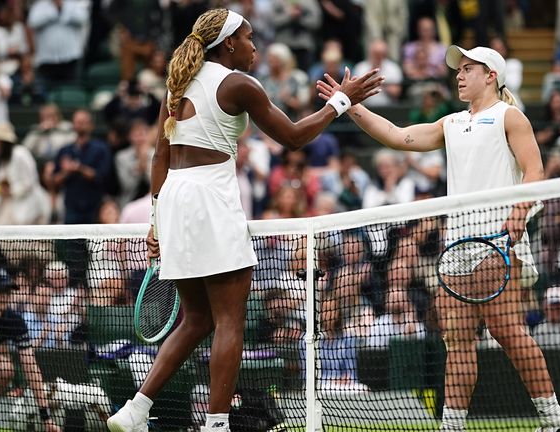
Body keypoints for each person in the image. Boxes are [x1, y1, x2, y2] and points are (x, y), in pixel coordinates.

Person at [105, 8, 381, 432]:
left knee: (197, 320)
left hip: (175, 198)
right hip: (209, 198)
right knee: (230, 319)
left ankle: (136, 409)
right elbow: (292, 136)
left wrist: (158, 222)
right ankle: (216, 426)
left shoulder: (177, 86)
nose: (256, 47)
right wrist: (342, 100)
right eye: (250, 38)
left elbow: (161, 157)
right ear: (230, 42)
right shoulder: (238, 84)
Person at [317, 45, 560, 431]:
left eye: (468, 68)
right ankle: (452, 427)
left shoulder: (510, 117)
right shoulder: (452, 123)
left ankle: (556, 419)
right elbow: (397, 136)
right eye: (459, 69)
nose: (459, 74)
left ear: (490, 75)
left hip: (498, 241)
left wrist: (519, 213)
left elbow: (534, 170)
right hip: (456, 248)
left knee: (508, 331)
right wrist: (349, 104)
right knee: (456, 343)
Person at [0, 267, 60, 432]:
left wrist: (46, 417)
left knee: (5, 370)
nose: (5, 295)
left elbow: (31, 367)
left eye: (7, 290)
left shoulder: (13, 320)